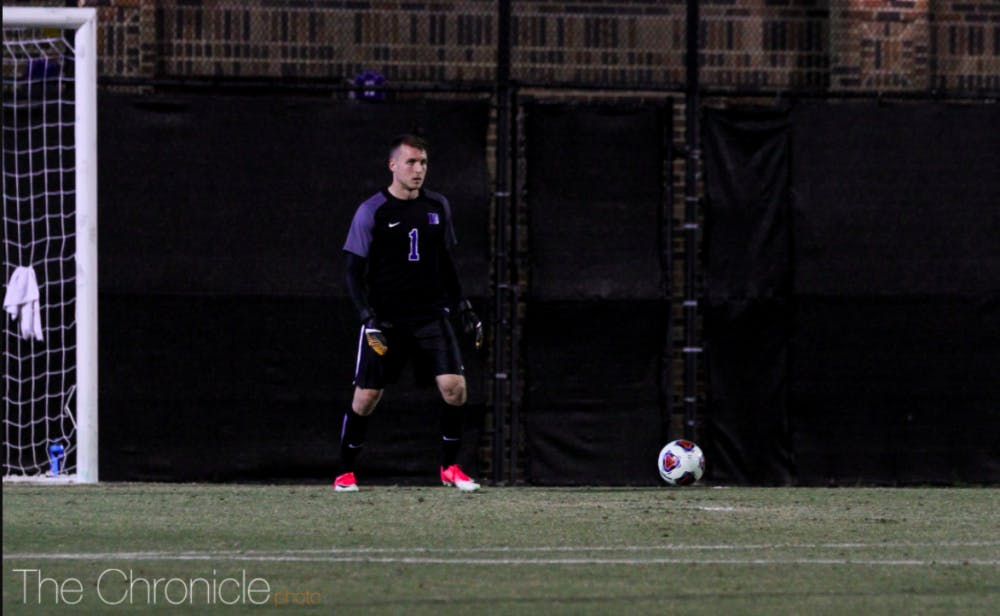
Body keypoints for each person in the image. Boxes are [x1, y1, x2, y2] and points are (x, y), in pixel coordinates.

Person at [336, 133, 484, 492]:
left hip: (431, 316)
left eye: (423, 163)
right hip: (386, 320)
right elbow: (353, 271)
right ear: (393, 166)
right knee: (366, 398)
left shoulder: (437, 206)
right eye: (411, 163)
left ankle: (449, 467)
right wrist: (367, 317)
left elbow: (445, 262)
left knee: (455, 389)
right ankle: (344, 472)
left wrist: (462, 304)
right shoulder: (372, 210)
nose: (419, 170)